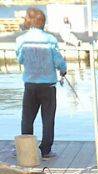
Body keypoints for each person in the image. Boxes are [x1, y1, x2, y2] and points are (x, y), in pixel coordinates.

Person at [16, 8, 67, 159]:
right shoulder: (50, 39)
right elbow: (58, 60)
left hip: (30, 84)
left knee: (27, 118)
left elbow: (20, 59)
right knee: (48, 119)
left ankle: (26, 149)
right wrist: (63, 69)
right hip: (48, 86)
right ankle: (45, 151)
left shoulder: (22, 40)